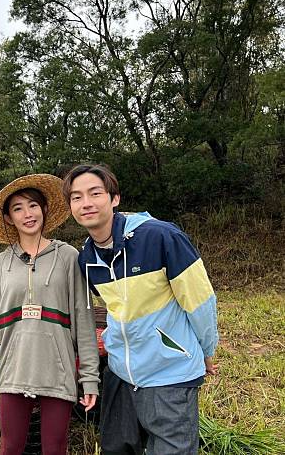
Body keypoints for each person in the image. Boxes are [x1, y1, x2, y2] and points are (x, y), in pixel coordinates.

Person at [62, 164, 219, 455]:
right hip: (121, 374)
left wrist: (206, 350)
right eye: (76, 197)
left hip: (168, 372)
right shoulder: (87, 258)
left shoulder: (160, 237)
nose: (86, 203)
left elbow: (200, 302)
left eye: (95, 193)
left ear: (114, 198)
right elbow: (116, 309)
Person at [0, 174, 100, 455]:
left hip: (58, 371)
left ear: (45, 210)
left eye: (33, 205)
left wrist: (89, 378)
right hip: (14, 369)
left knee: (55, 449)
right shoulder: (2, 263)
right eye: (18, 208)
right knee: (10, 448)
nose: (27, 214)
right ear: (8, 218)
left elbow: (83, 322)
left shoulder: (68, 257)